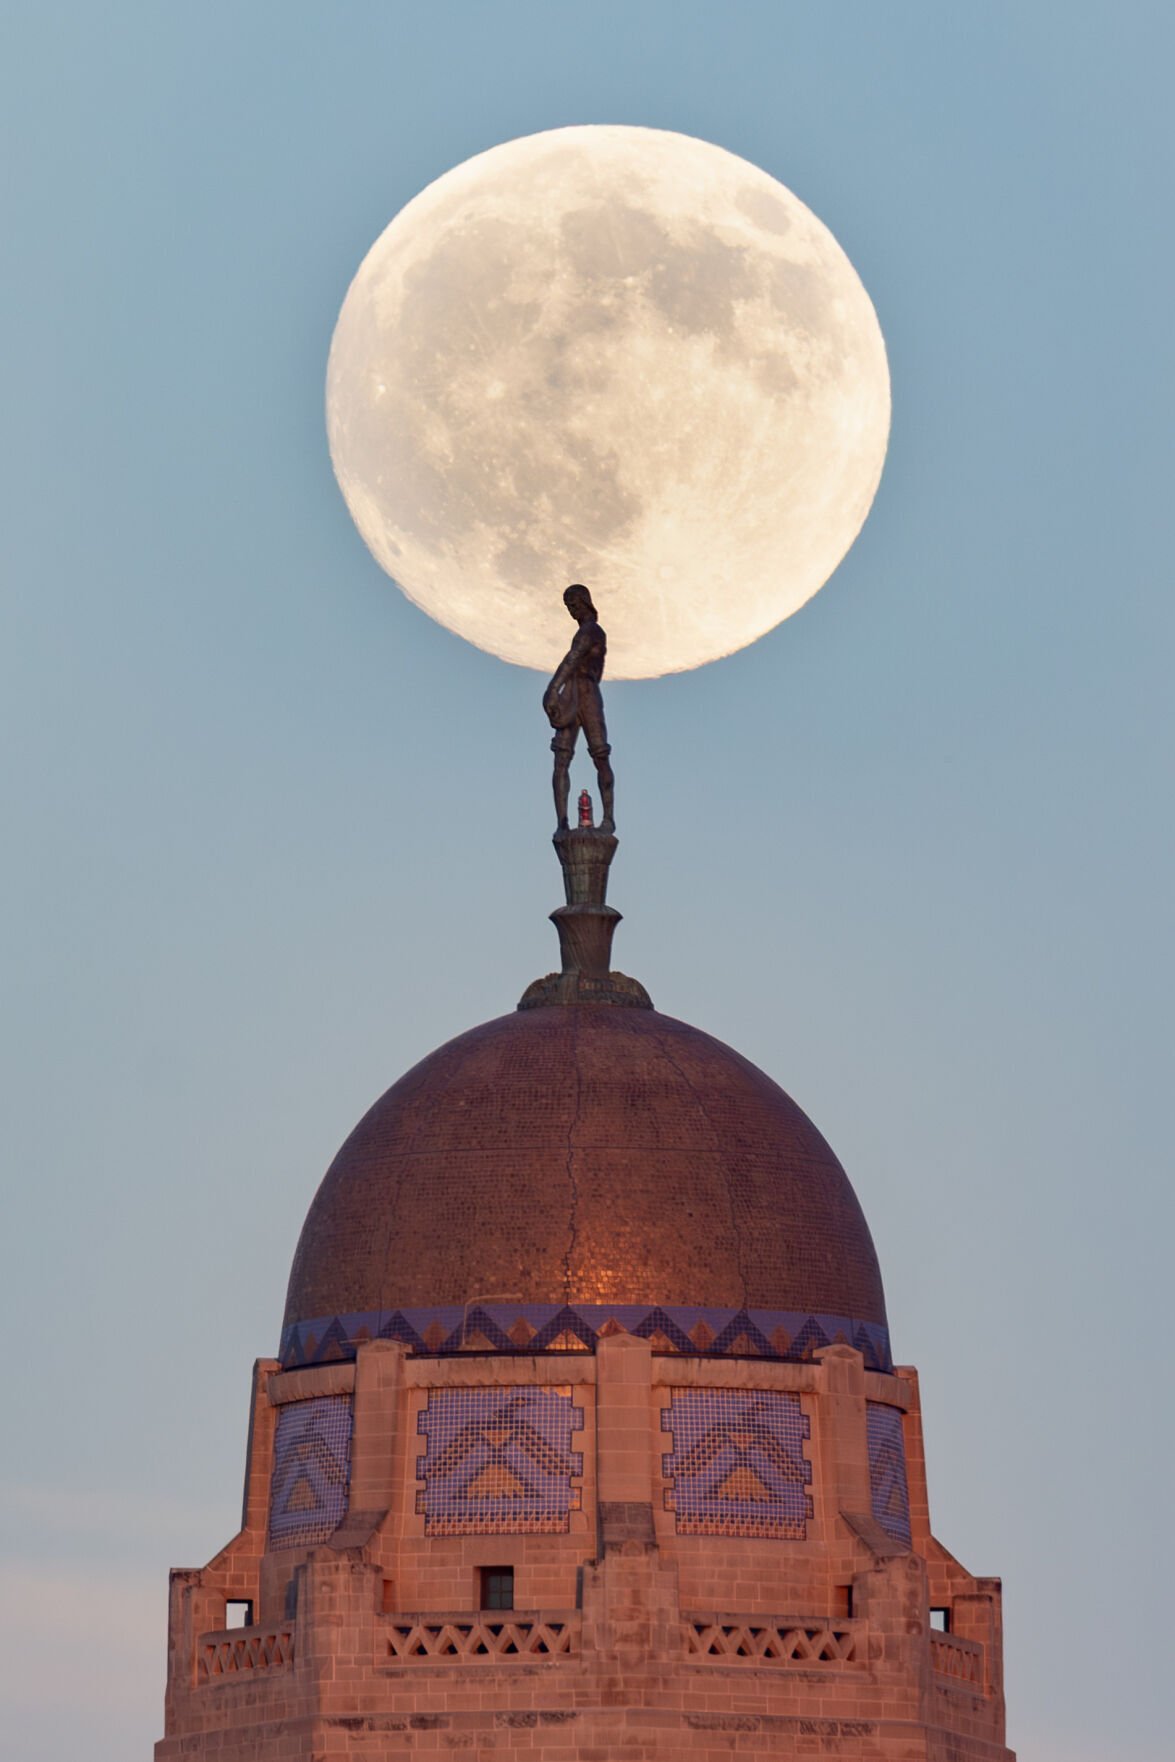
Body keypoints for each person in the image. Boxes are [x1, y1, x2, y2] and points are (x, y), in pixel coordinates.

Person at [543, 584, 615, 834]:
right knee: (561, 758)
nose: (572, 610)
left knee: (600, 754)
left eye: (574, 604)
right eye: (568, 607)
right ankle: (562, 822)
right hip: (573, 694)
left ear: (585, 602)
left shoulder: (592, 631)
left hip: (587, 692)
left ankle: (608, 818)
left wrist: (553, 688)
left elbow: (573, 658)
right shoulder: (586, 631)